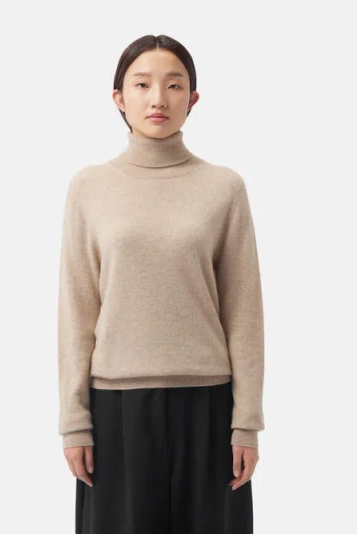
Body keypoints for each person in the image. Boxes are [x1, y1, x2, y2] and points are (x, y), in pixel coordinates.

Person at [57, 34, 265, 534]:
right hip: (115, 409)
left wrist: (246, 423)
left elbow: (244, 312)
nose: (158, 99)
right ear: (118, 98)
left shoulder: (224, 188)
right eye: (142, 84)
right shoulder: (89, 187)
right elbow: (77, 311)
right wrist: (74, 422)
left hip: (208, 406)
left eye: (174, 85)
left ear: (193, 99)